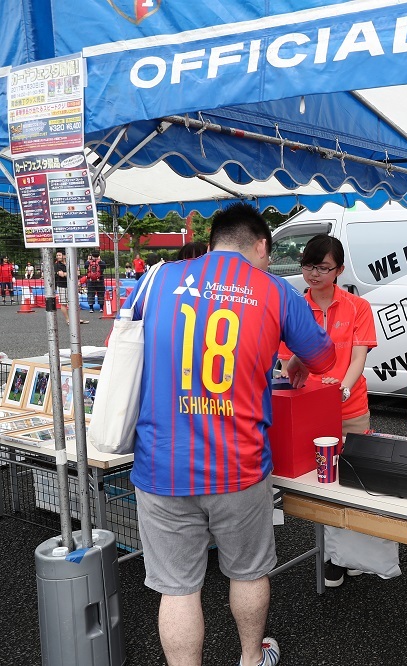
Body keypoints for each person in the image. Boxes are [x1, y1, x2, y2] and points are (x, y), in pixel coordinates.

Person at [126, 202, 337, 666]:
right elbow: (325, 357)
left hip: (161, 462)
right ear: (260, 245)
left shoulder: (157, 278)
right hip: (238, 463)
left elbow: (121, 344)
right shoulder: (273, 290)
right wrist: (295, 357)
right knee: (247, 572)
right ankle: (250, 658)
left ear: (215, 240)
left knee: (177, 588)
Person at [277, 234, 390, 587]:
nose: (314, 273)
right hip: (310, 414)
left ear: (339, 270)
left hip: (350, 407)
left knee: (354, 483)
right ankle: (331, 556)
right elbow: (286, 364)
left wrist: (341, 387)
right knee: (321, 484)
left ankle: (353, 555)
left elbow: (359, 357)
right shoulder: (294, 308)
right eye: (308, 266)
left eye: (323, 267)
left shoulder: (357, 307)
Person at [53, 250, 86, 324]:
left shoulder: (71, 263)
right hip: (62, 286)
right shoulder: (57, 265)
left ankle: (75, 319)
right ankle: (68, 320)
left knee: (74, 303)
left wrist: (68, 274)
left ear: (64, 256)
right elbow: (61, 274)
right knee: (63, 303)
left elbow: (78, 273)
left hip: (72, 286)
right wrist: (72, 273)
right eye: (57, 255)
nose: (58, 257)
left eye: (59, 255)